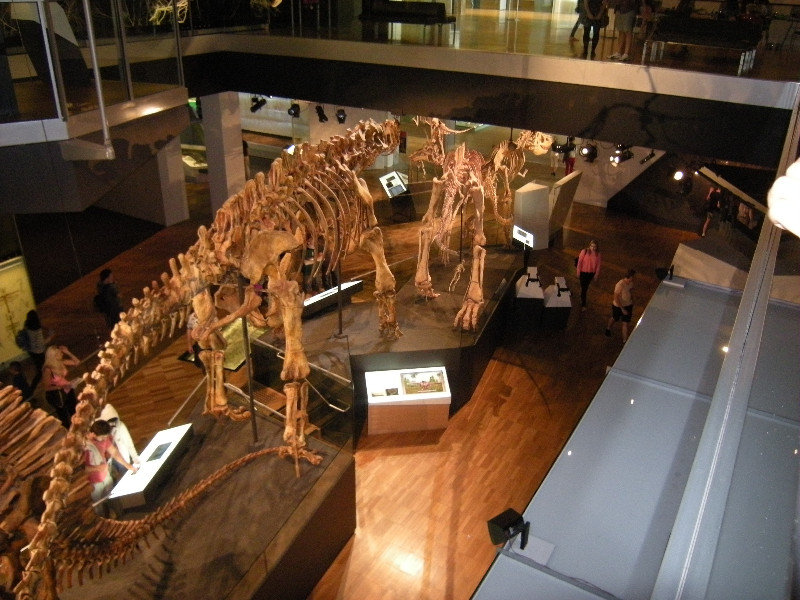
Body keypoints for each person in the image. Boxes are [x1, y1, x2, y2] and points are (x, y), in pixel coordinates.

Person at [84, 419, 138, 511]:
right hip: (94, 484)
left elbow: (114, 452)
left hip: (105, 477)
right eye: (102, 438)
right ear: (93, 434)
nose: (105, 440)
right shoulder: (84, 447)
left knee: (113, 499)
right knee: (98, 507)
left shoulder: (104, 440)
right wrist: (99, 468)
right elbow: (83, 469)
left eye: (106, 437)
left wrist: (127, 465)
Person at [99, 403, 141, 480]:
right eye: (109, 423)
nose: (112, 425)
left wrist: (135, 459)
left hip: (122, 458)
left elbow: (129, 444)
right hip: (107, 461)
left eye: (114, 422)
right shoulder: (99, 430)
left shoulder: (121, 426)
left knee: (126, 478)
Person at [42, 344, 80, 428]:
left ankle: (78, 428)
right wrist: (60, 387)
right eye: (60, 353)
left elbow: (77, 362)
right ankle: (68, 432)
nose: (62, 354)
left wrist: (68, 352)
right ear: (54, 356)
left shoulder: (61, 362)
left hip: (68, 390)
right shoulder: (48, 369)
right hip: (57, 394)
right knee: (64, 417)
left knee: (74, 412)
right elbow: (46, 387)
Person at [18, 309, 53, 391]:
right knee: (42, 371)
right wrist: (50, 337)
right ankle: (33, 388)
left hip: (31, 351)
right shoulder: (37, 330)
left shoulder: (27, 325)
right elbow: (41, 343)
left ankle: (48, 383)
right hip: (39, 352)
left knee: (41, 369)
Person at [606, 269, 635, 342]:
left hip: (628, 305)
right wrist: (622, 309)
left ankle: (624, 340)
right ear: (628, 277)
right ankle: (608, 328)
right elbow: (616, 298)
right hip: (618, 307)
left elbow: (631, 291)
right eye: (631, 278)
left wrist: (631, 300)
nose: (631, 280)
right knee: (615, 318)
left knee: (625, 323)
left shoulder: (631, 283)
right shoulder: (620, 285)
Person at [576, 240, 602, 310]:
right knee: (584, 288)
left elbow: (598, 265)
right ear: (589, 246)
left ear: (597, 247)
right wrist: (578, 272)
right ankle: (583, 304)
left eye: (595, 246)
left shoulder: (598, 254)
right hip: (583, 273)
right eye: (592, 246)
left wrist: (596, 275)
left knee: (585, 287)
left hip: (590, 274)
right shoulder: (584, 251)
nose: (593, 248)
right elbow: (579, 262)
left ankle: (582, 296)